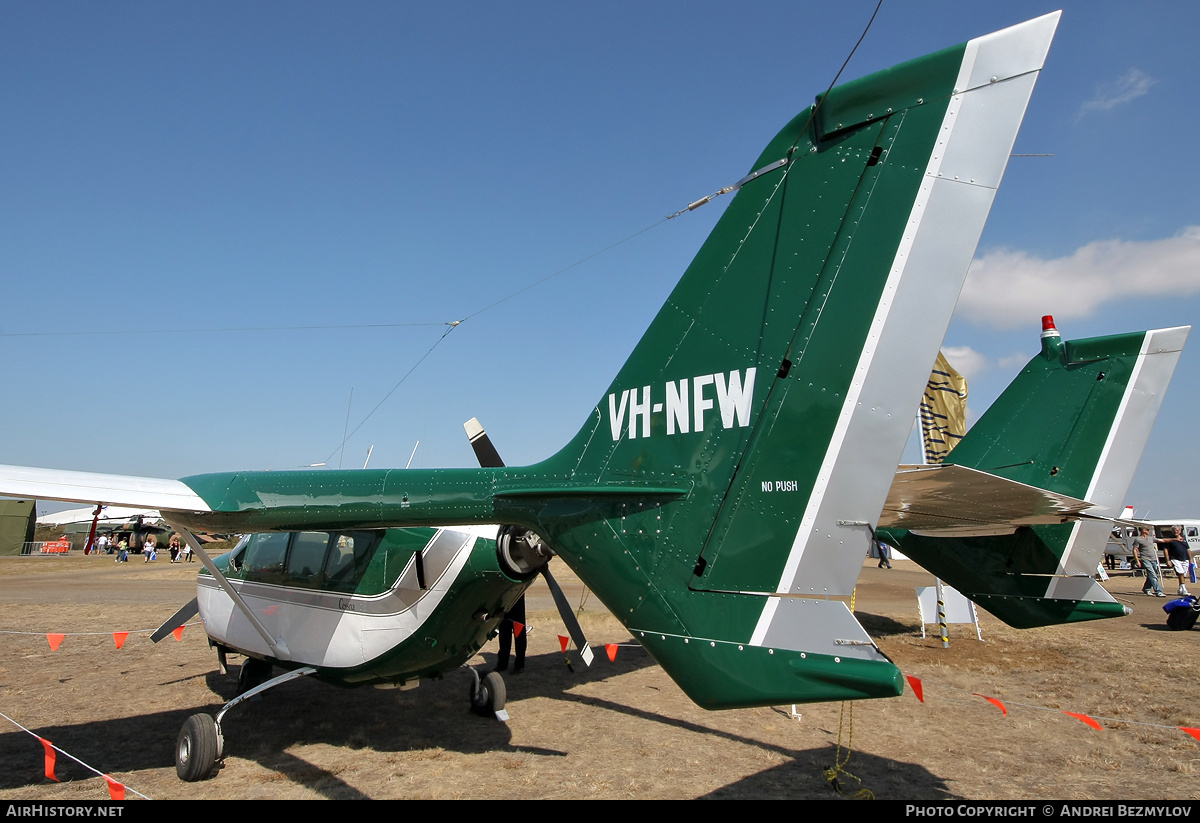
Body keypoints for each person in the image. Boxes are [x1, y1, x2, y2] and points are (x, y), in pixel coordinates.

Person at [1155, 526, 1192, 596]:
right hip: (1175, 558)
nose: (1176, 531)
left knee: (1183, 574)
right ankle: (1184, 589)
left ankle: (1181, 589)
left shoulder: (1183, 539)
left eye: (1177, 530)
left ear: (1180, 531)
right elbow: (1165, 550)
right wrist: (1168, 560)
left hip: (1185, 558)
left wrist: (1191, 559)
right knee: (1180, 572)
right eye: (1174, 530)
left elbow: (1188, 549)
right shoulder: (1170, 539)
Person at [495, 595, 526, 674]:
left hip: (517, 595)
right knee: (504, 632)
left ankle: (519, 665)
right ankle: (502, 663)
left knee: (519, 633)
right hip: (505, 597)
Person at [1133, 527, 1165, 597]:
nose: (1148, 531)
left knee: (1152, 574)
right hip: (1145, 559)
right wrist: (1137, 561)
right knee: (1153, 575)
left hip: (1153, 559)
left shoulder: (1150, 538)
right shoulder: (1138, 539)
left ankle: (1146, 588)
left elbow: (1162, 540)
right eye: (1147, 530)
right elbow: (1135, 550)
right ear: (1144, 530)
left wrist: (1175, 539)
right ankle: (1158, 591)